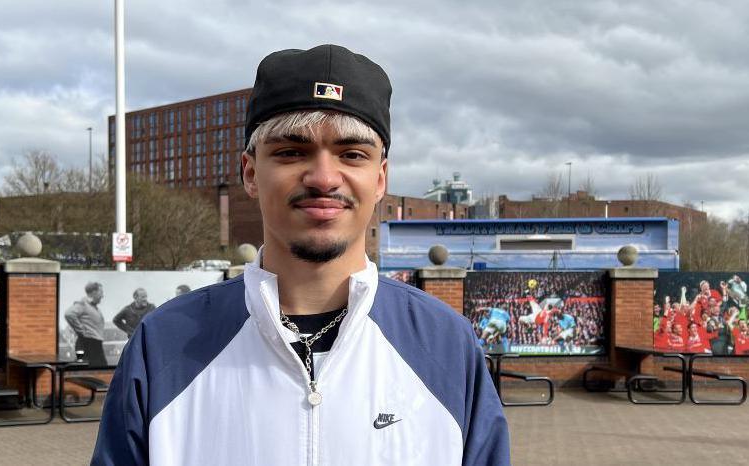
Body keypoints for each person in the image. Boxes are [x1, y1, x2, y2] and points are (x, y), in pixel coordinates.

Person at [92, 44, 509, 465]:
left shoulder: (447, 345)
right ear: (251, 172)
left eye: (352, 154)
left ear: (380, 178)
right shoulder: (164, 343)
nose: (324, 178)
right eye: (291, 152)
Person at [64, 282, 107, 367]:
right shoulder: (83, 304)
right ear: (94, 292)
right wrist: (81, 330)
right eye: (101, 292)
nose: (102, 296)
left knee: (101, 368)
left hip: (95, 343)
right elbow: (69, 314)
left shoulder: (93, 307)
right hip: (87, 342)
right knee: (91, 370)